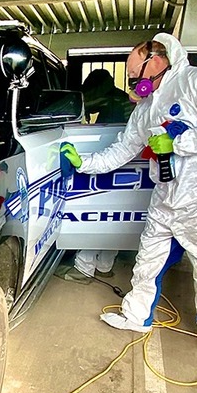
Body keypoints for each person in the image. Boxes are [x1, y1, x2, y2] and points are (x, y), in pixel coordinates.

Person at [60, 34, 197, 357]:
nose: (133, 81)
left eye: (135, 73)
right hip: (166, 192)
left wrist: (180, 141)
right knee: (148, 258)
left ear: (156, 61)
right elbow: (123, 149)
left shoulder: (196, 81)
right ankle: (136, 315)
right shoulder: (146, 108)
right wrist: (84, 163)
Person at [54, 69, 134, 284]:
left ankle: (84, 267)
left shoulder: (109, 100)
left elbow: (87, 108)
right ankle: (105, 266)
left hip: (111, 161)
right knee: (118, 216)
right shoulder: (123, 99)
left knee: (99, 212)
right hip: (132, 166)